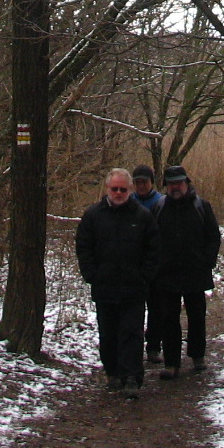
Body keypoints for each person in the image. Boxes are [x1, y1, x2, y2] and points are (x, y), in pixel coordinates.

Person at [76, 167, 159, 398]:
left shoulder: (143, 216)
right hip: (105, 286)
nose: (119, 193)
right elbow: (83, 247)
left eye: (123, 189)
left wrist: (145, 276)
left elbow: (153, 250)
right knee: (108, 333)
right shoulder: (93, 215)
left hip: (134, 288)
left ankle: (132, 377)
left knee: (132, 333)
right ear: (107, 189)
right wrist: (92, 275)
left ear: (130, 189)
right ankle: (112, 372)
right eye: (115, 189)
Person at [151, 165, 220, 380]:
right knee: (169, 319)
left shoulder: (202, 206)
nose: (175, 187)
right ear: (166, 186)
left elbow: (213, 236)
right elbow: (150, 238)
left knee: (197, 317)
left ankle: (198, 356)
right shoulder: (159, 207)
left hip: (195, 273)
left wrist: (207, 261)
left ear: (187, 183)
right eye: (171, 184)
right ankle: (171, 363)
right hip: (167, 274)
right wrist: (155, 265)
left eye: (179, 183)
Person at [130, 165, 166, 364]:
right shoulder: (129, 201)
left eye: (144, 182)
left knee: (156, 308)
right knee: (133, 309)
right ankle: (133, 347)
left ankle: (153, 346)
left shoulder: (161, 202)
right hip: (133, 264)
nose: (141, 186)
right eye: (137, 182)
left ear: (151, 182)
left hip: (156, 263)